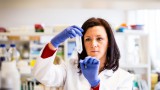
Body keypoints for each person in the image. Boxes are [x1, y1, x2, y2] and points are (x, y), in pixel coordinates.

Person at [32, 17, 134, 90]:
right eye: (88, 39)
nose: (93, 44)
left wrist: (95, 84)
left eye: (99, 39)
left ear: (109, 43)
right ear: (82, 43)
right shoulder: (70, 68)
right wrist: (54, 43)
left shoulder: (124, 78)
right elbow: (42, 75)